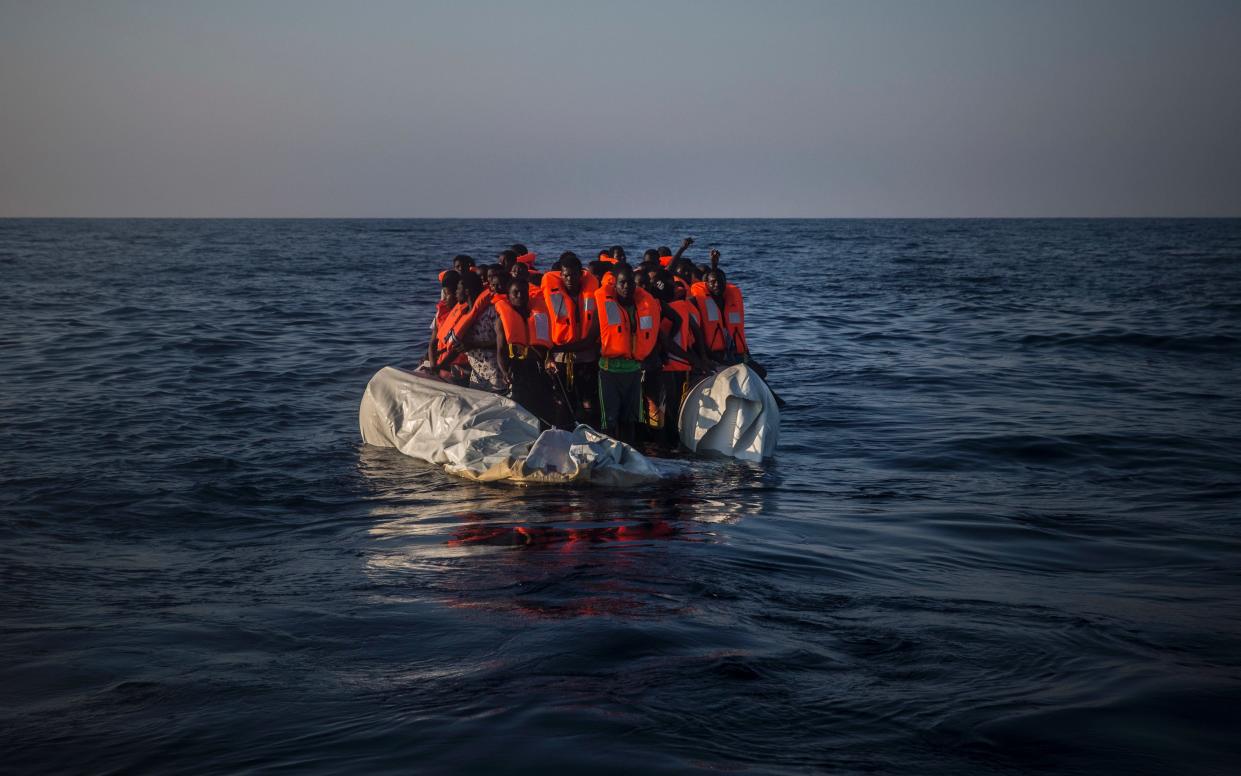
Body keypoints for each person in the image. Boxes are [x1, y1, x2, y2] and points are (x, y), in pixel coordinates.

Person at [588, 265, 660, 445]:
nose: (626, 286)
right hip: (609, 371)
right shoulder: (605, 306)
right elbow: (590, 338)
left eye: (630, 283)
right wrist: (556, 350)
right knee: (610, 420)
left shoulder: (642, 306)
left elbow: (655, 337)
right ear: (615, 285)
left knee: (630, 420)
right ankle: (611, 455)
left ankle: (631, 455)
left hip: (634, 371)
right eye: (622, 282)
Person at [493, 278, 566, 425]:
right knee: (523, 411)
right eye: (515, 293)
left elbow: (547, 345)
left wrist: (550, 360)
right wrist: (505, 372)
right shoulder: (502, 321)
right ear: (508, 296)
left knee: (547, 409)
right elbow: (500, 350)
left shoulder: (539, 315)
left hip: (539, 369)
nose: (520, 296)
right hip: (518, 369)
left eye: (523, 292)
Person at [542, 252, 601, 428]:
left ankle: (590, 435)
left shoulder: (594, 294)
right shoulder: (551, 295)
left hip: (586, 358)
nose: (570, 278)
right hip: (561, 361)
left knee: (588, 402)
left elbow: (591, 337)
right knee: (563, 402)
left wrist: (559, 349)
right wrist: (550, 354)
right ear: (560, 275)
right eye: (566, 275)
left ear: (581, 274)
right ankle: (563, 436)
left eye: (574, 274)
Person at [690, 249, 748, 363]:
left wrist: (714, 265)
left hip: (735, 352)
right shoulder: (697, 300)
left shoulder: (729, 299)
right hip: (713, 354)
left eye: (721, 282)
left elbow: (715, 277)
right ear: (707, 285)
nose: (717, 285)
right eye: (713, 283)